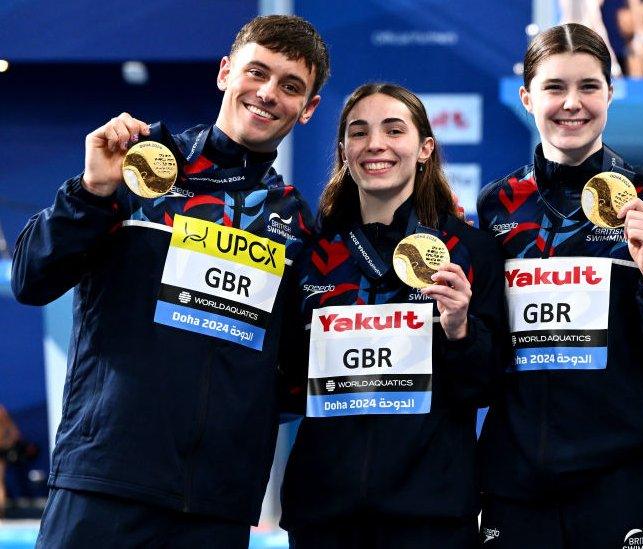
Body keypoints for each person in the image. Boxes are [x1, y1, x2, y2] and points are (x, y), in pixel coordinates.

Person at [12, 15, 328, 548]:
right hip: (104, 483)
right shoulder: (139, 169)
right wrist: (90, 191)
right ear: (226, 72)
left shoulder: (295, 224)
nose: (268, 93)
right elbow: (31, 278)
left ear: (308, 109)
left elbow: (294, 374)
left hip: (214, 506)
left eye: (291, 86)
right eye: (258, 72)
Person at [476, 22, 643, 549]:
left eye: (588, 87)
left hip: (624, 478)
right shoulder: (496, 206)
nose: (571, 103)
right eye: (554, 88)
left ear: (610, 94)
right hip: (517, 478)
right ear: (528, 96)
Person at [277, 83, 508, 548]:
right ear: (344, 150)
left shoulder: (469, 250)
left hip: (431, 516)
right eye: (358, 133)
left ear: (425, 149)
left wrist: (460, 329)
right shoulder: (310, 252)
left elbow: (485, 388)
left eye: (394, 130)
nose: (375, 144)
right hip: (324, 515)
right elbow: (282, 381)